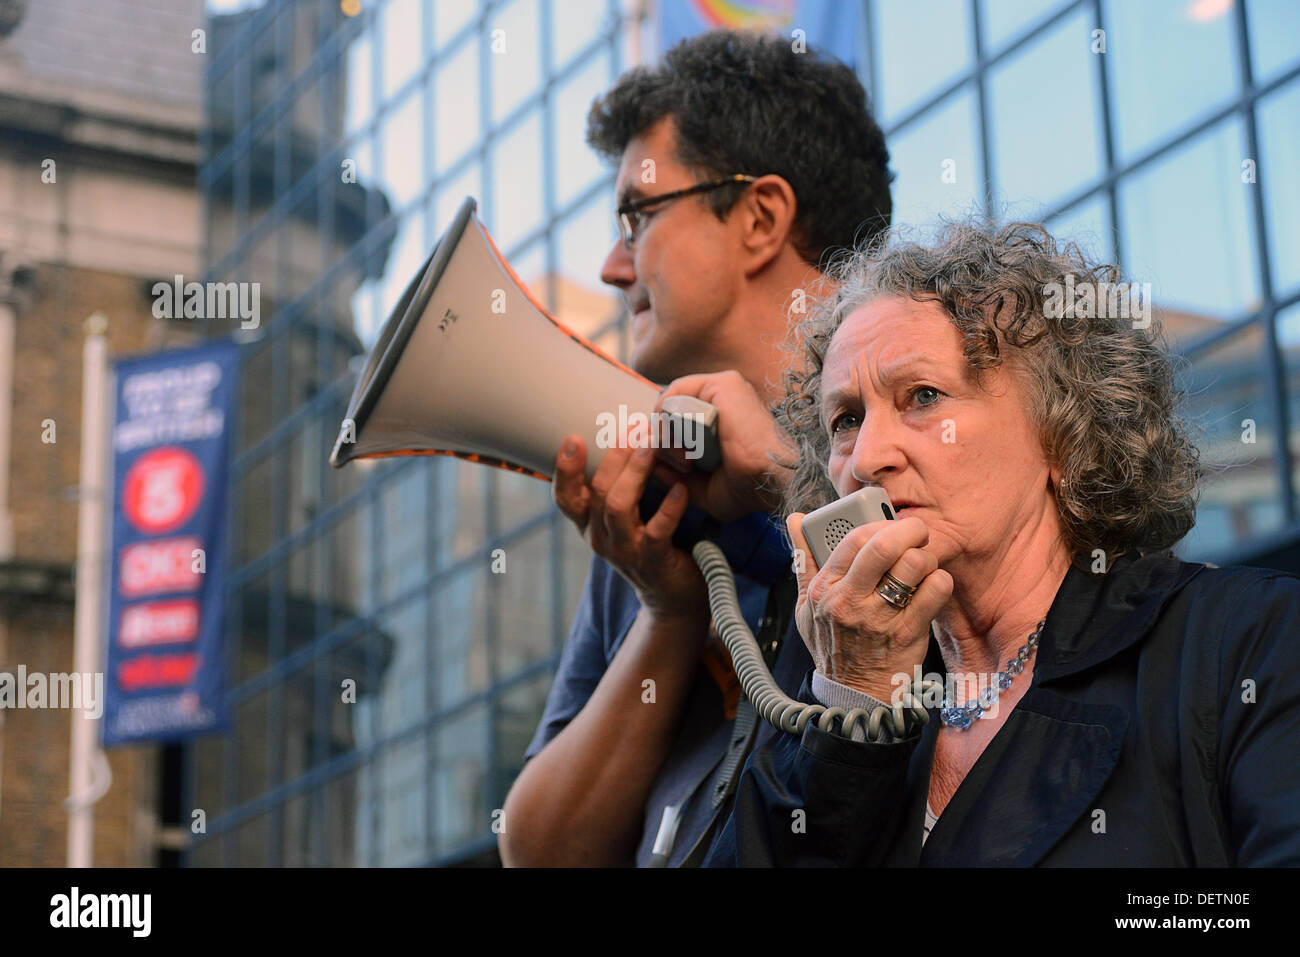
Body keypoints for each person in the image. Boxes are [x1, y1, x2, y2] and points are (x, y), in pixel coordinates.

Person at [703, 220, 1300, 866]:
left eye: (923, 397)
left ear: (1065, 434)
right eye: (846, 419)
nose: (868, 457)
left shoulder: (1245, 643)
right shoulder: (829, 692)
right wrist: (853, 711)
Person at [499, 30, 892, 867]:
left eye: (637, 216)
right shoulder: (655, 513)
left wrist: (784, 486)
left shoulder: (917, 423)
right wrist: (669, 610)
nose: (612, 266)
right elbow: (538, 851)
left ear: (760, 219)